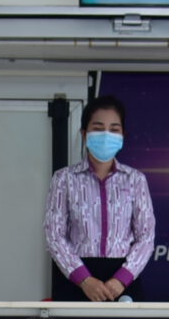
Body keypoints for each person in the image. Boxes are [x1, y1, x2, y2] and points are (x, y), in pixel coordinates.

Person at [44, 95, 155, 303]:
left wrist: (121, 279)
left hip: (123, 280)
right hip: (75, 279)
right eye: (98, 128)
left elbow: (146, 237)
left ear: (123, 135)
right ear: (84, 134)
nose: (106, 135)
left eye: (114, 129)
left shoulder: (135, 179)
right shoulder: (64, 179)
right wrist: (84, 280)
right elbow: (54, 235)